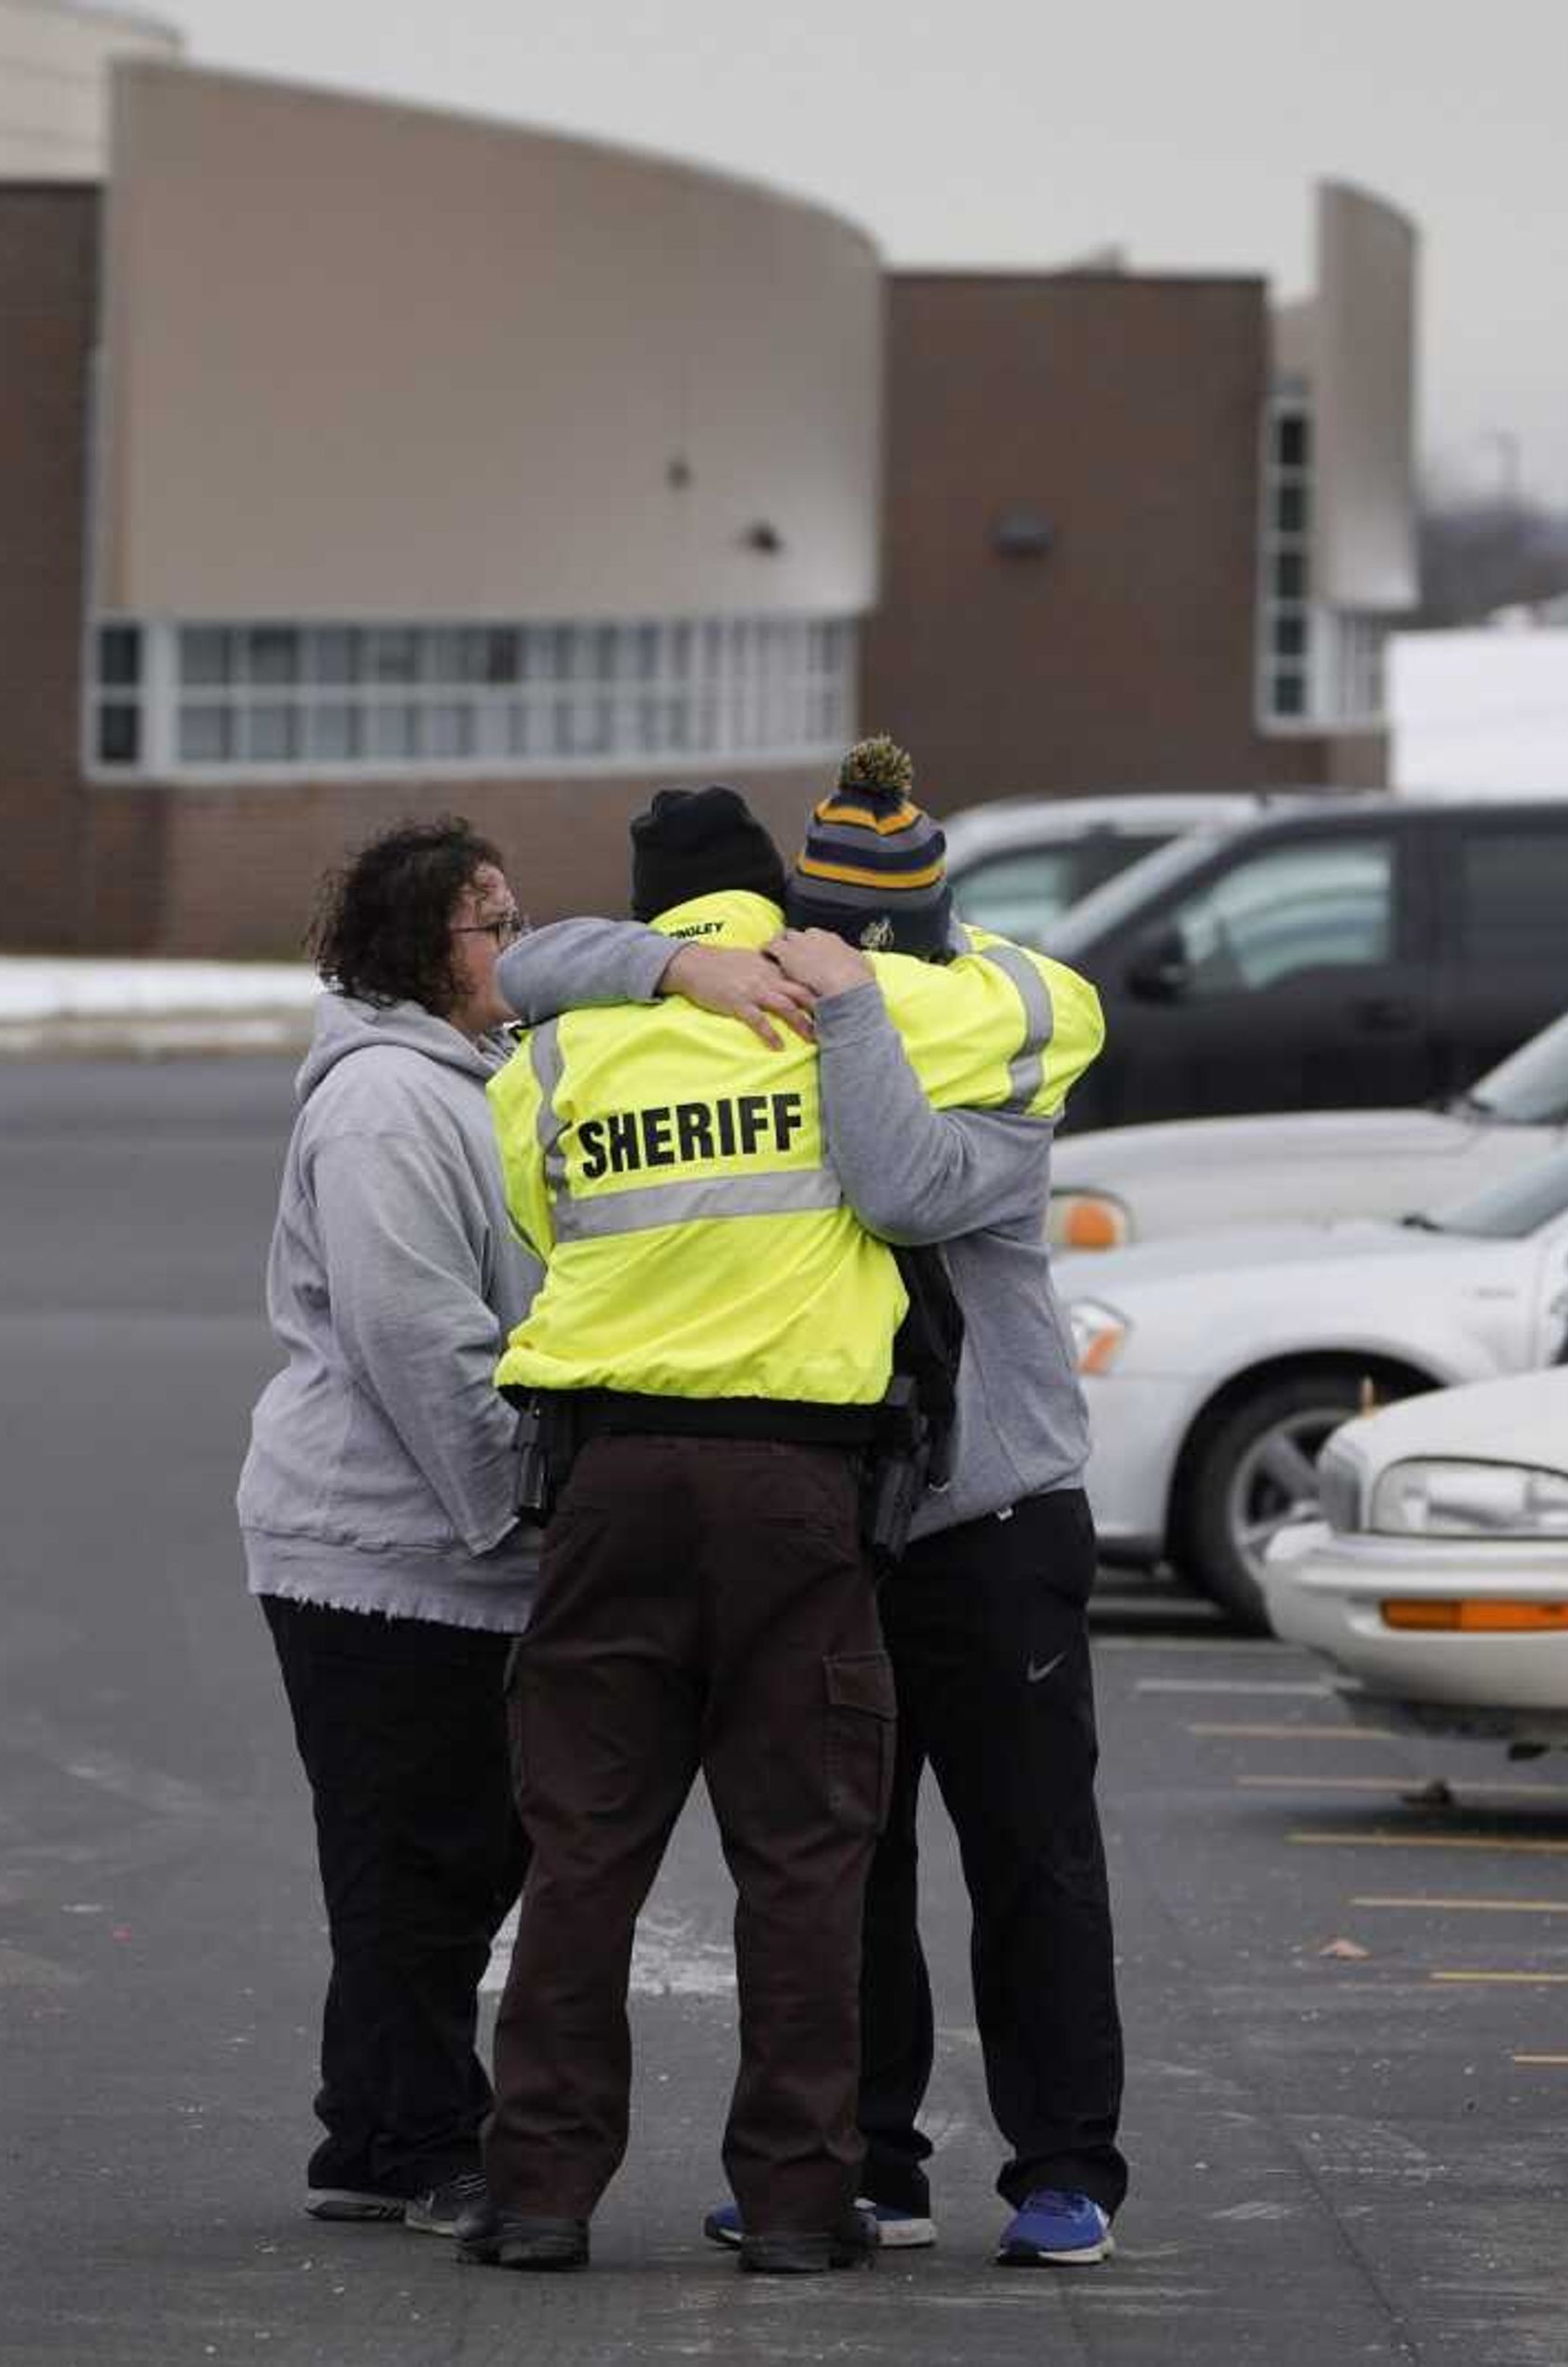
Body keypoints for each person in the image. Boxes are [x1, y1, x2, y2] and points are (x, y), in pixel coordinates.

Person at [499, 738, 1128, 2268]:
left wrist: (836, 1004)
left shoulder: (977, 1043)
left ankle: (1064, 2163)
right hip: (835, 1512)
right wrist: (678, 975)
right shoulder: (773, 1010)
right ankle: (867, 2157)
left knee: (1028, 1849)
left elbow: (898, 1183)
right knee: (844, 1859)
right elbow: (534, 965)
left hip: (984, 1512)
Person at [236, 817, 538, 2240]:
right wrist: (511, 1506)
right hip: (380, 1554)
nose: (516, 948)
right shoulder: (384, 1108)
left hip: (429, 1556)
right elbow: (417, 1331)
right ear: (427, 949)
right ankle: (425, 2141)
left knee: (436, 1852)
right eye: (493, 923)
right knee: (420, 1859)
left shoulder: (461, 1083)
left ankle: (367, 2130)